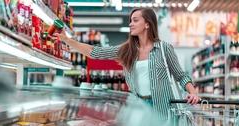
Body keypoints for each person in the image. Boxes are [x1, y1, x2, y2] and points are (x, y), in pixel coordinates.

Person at [55, 8, 201, 123]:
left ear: (147, 24)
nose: (130, 24)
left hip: (162, 108)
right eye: (130, 21)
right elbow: (95, 52)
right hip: (137, 108)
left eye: (135, 20)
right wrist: (68, 40)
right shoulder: (127, 50)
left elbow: (180, 75)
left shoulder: (164, 49)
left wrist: (193, 93)